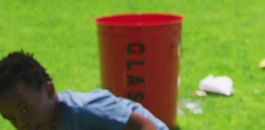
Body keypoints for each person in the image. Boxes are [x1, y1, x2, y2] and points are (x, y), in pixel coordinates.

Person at [0, 51, 167, 130]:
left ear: (49, 90)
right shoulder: (44, 124)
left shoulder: (84, 109)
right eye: (11, 119)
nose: (22, 123)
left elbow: (144, 126)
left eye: (24, 108)